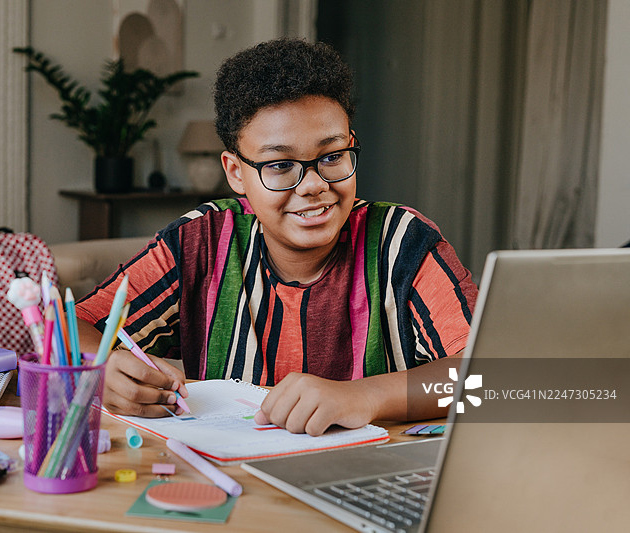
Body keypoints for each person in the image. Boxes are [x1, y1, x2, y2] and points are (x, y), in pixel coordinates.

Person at [76, 38, 478, 436]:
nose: (313, 185)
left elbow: (495, 381)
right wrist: (100, 367)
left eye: (332, 156)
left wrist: (365, 397)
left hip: (370, 470)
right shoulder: (202, 241)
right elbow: (71, 325)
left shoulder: (404, 243)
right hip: (226, 468)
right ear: (236, 173)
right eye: (281, 165)